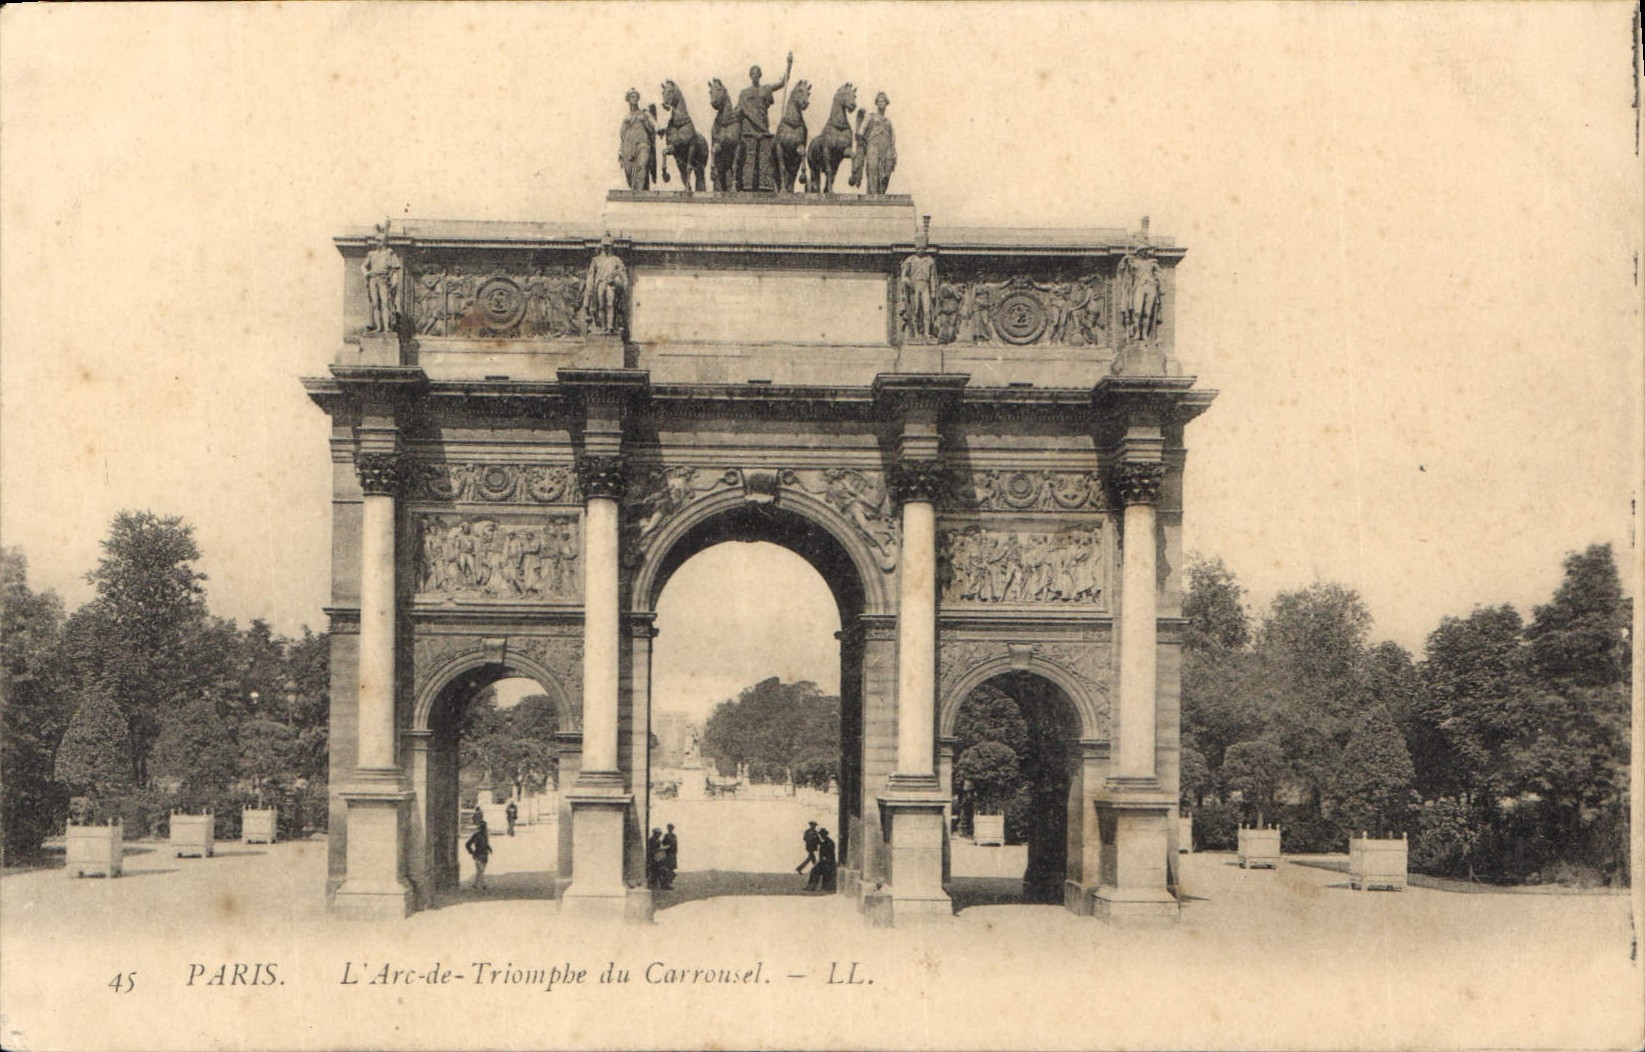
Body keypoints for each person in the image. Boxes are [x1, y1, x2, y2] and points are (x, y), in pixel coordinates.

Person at [736, 53, 793, 192]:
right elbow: (738, 110)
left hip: (763, 128)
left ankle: (765, 186)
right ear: (750, 75)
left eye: (757, 72)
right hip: (749, 129)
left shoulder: (766, 89)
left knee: (764, 158)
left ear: (760, 75)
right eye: (753, 73)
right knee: (749, 157)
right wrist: (739, 111)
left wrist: (789, 65)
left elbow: (783, 82)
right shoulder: (744, 93)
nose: (755, 75)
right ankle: (746, 185)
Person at [857, 92, 896, 195]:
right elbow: (861, 131)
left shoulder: (888, 122)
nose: (881, 103)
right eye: (879, 101)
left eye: (883, 101)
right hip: (873, 146)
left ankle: (881, 193)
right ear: (876, 103)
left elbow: (892, 138)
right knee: (873, 170)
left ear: (886, 103)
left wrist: (893, 151)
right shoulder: (871, 117)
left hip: (886, 148)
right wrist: (863, 143)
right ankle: (873, 194)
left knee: (887, 171)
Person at [618, 88, 657, 191]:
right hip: (629, 147)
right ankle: (638, 192)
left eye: (636, 97)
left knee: (642, 166)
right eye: (632, 97)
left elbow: (654, 123)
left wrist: (658, 129)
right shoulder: (626, 118)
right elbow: (622, 136)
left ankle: (639, 193)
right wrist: (621, 151)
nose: (635, 99)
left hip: (643, 144)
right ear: (628, 100)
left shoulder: (644, 113)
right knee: (629, 172)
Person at [464, 817, 492, 891]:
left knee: (480, 871)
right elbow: (467, 844)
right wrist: (471, 851)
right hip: (479, 854)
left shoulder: (485, 835)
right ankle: (483, 885)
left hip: (484, 855)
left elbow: (486, 843)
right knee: (481, 870)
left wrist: (489, 848)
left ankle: (475, 884)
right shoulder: (477, 835)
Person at [806, 827, 836, 892]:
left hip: (828, 863)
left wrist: (823, 860)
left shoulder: (829, 842)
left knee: (815, 870)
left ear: (825, 834)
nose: (821, 836)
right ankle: (811, 886)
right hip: (824, 862)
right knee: (814, 870)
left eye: (822, 834)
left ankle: (812, 887)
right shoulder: (825, 842)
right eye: (821, 834)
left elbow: (829, 854)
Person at [660, 823, 678, 890]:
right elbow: (663, 844)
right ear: (668, 828)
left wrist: (675, 853)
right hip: (668, 854)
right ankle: (666, 884)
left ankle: (668, 883)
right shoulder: (666, 835)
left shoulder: (674, 836)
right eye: (669, 828)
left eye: (671, 828)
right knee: (668, 869)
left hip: (673, 854)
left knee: (671, 869)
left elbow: (676, 845)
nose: (670, 829)